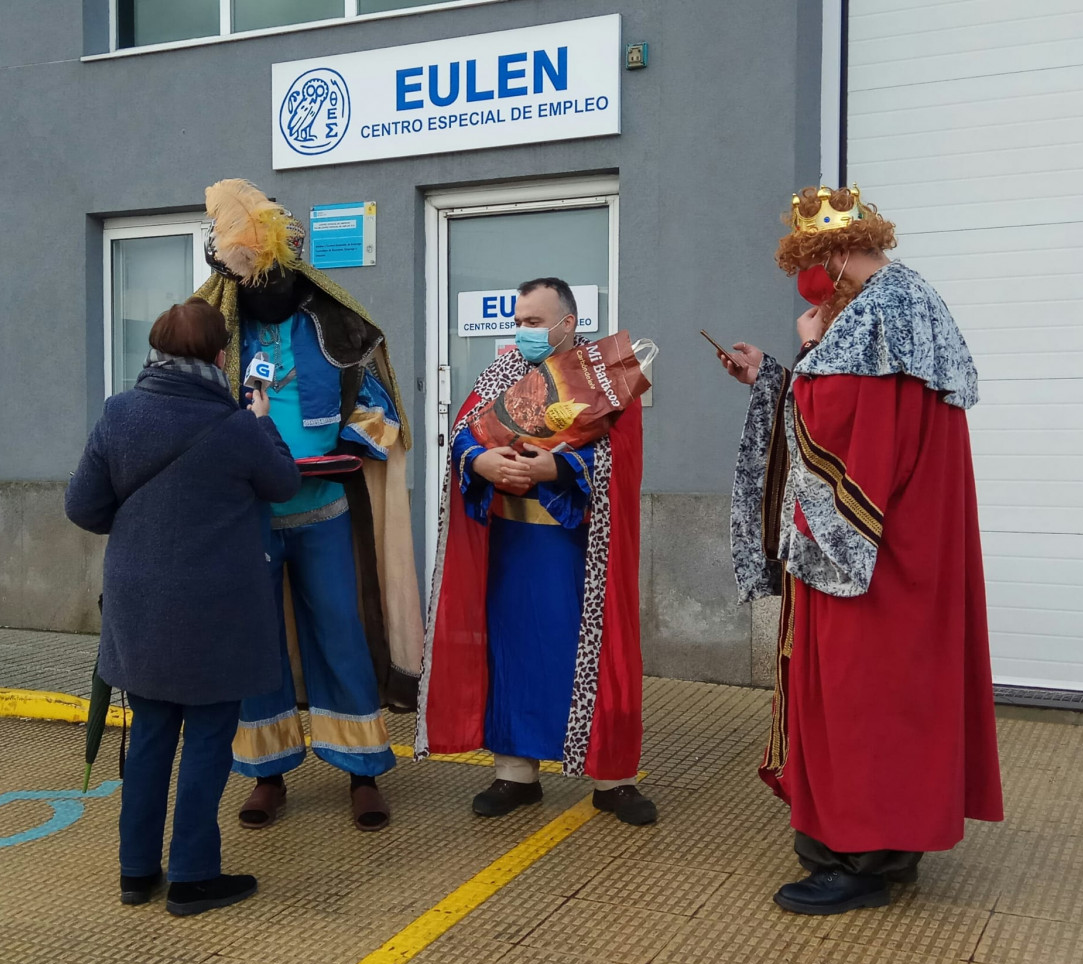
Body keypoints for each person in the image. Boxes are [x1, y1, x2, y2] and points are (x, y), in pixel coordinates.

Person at [724, 185, 1003, 914]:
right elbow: (848, 415)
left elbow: (848, 434)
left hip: (864, 557)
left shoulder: (869, 318)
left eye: (810, 266)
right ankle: (889, 846)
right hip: (912, 548)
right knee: (900, 698)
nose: (806, 284)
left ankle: (853, 857)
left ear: (835, 258)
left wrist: (809, 352)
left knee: (858, 698)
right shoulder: (908, 304)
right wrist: (777, 377)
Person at [194, 179, 425, 833]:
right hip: (248, 522)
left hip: (324, 511)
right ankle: (267, 774)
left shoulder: (332, 326)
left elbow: (380, 412)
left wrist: (348, 442)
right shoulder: (218, 334)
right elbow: (191, 416)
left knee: (341, 635)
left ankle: (362, 768)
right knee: (256, 643)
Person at [65, 298, 301, 916]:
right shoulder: (237, 425)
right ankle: (194, 877)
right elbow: (284, 485)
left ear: (155, 352)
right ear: (221, 358)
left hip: (139, 609)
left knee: (148, 739)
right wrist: (264, 420)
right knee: (205, 742)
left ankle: (137, 873)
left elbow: (83, 509)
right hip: (217, 614)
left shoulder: (119, 416)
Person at [416, 278, 656, 825]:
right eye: (518, 320)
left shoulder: (607, 376)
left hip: (580, 547)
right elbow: (463, 431)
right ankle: (515, 774)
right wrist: (478, 461)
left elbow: (623, 452)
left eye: (533, 321)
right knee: (515, 653)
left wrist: (560, 467)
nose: (522, 331)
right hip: (512, 543)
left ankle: (613, 779)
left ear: (566, 325)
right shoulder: (501, 373)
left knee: (598, 651)